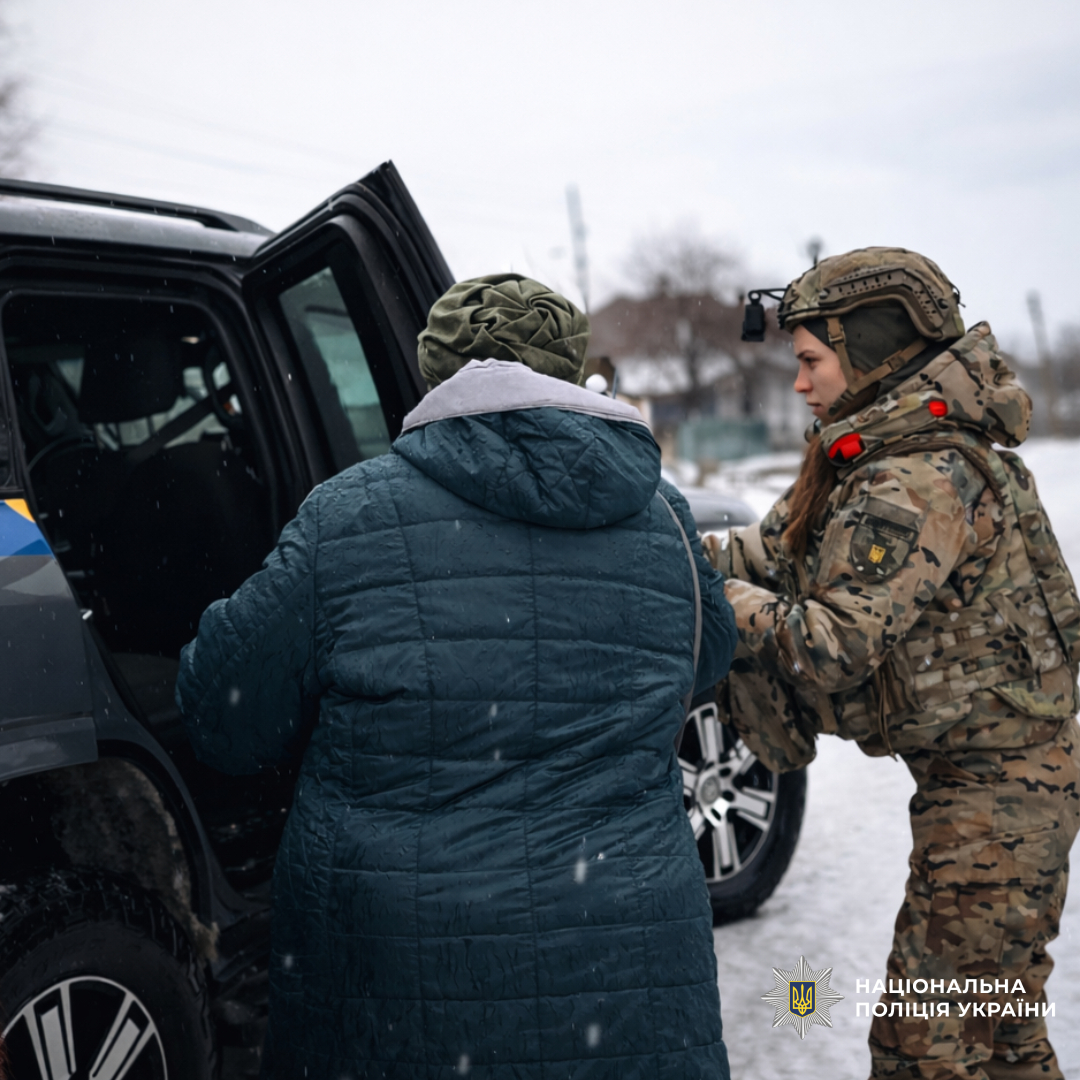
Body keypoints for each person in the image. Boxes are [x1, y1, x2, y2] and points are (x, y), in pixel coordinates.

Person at [177, 273, 738, 1078]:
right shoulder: (662, 516)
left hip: (404, 980)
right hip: (627, 956)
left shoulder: (347, 516)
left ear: (434, 376)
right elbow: (708, 657)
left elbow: (223, 719)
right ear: (568, 375)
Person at [703, 247, 1080, 1080]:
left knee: (927, 1053)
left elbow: (829, 644)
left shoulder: (915, 479)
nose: (799, 384)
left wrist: (711, 600)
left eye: (811, 361)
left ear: (870, 354)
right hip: (994, 791)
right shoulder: (872, 458)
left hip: (998, 807)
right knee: (1002, 1042)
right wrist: (681, 552)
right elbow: (770, 552)